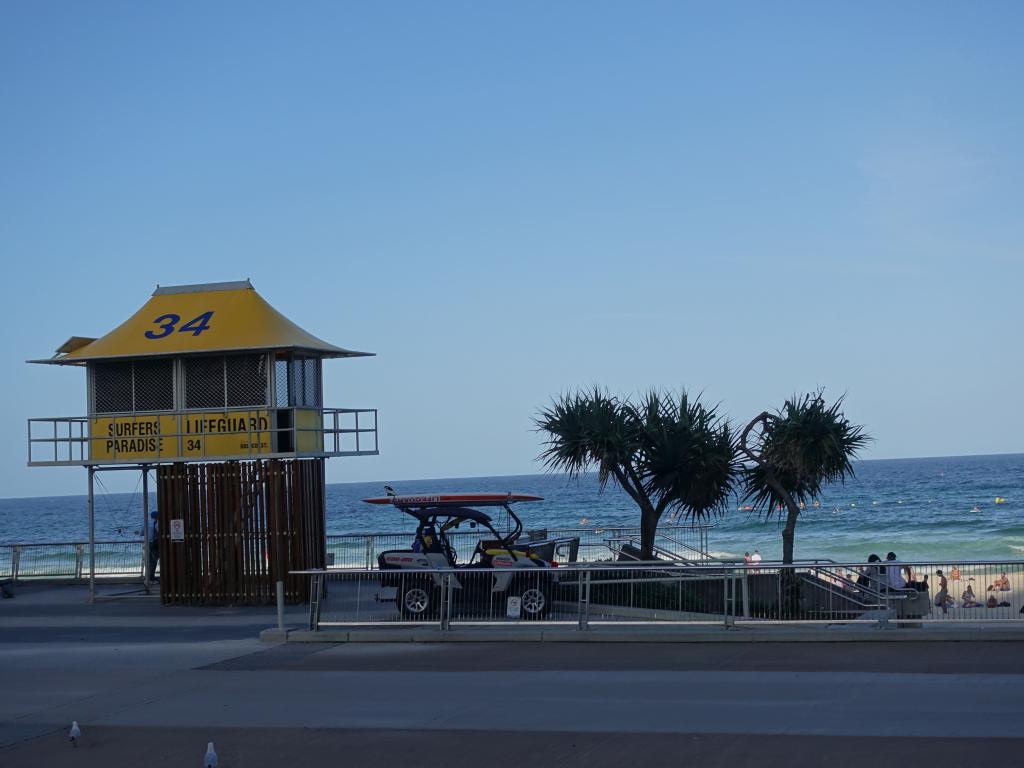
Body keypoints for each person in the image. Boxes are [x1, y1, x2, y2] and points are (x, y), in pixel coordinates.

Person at [148, 509, 160, 581]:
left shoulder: (147, 523)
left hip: (148, 544)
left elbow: (141, 533)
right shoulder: (157, 524)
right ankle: (151, 577)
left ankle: (149, 576)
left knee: (150, 560)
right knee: (154, 560)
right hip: (155, 544)